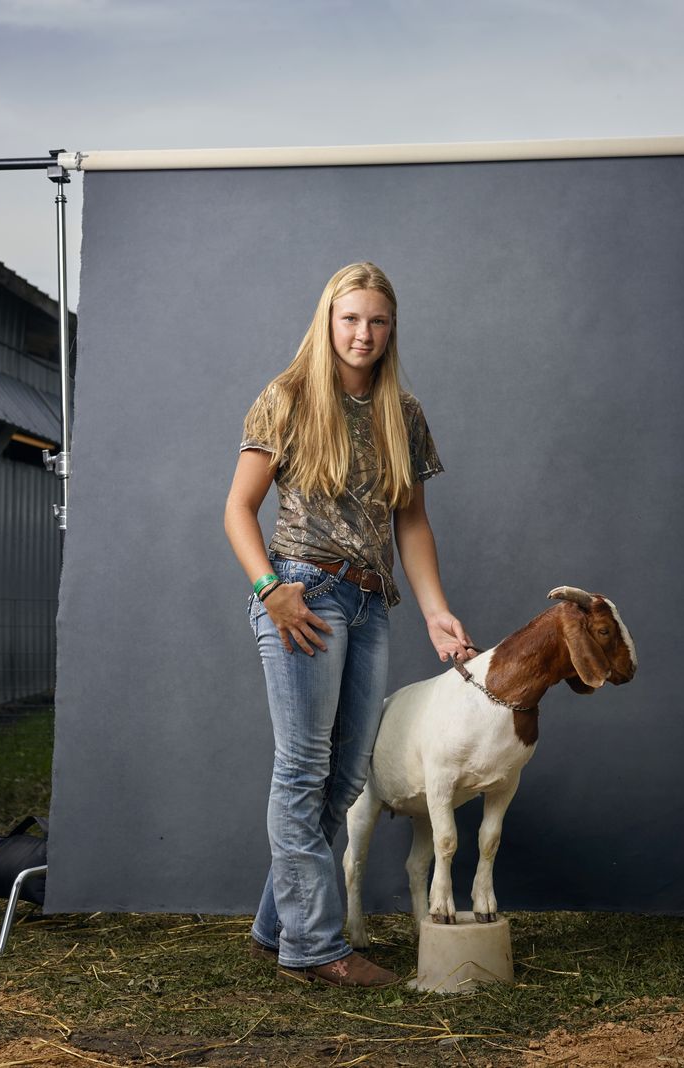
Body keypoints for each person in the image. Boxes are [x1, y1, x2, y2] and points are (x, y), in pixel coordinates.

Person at [224, 262, 474, 987]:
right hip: (304, 594)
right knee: (302, 769)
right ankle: (317, 949)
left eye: (378, 321)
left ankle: (278, 929)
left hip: (370, 604)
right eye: (351, 319)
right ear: (328, 321)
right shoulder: (289, 397)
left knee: (343, 776)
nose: (364, 334)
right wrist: (271, 590)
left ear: (392, 329)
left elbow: (413, 524)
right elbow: (238, 509)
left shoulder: (404, 412)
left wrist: (436, 611)